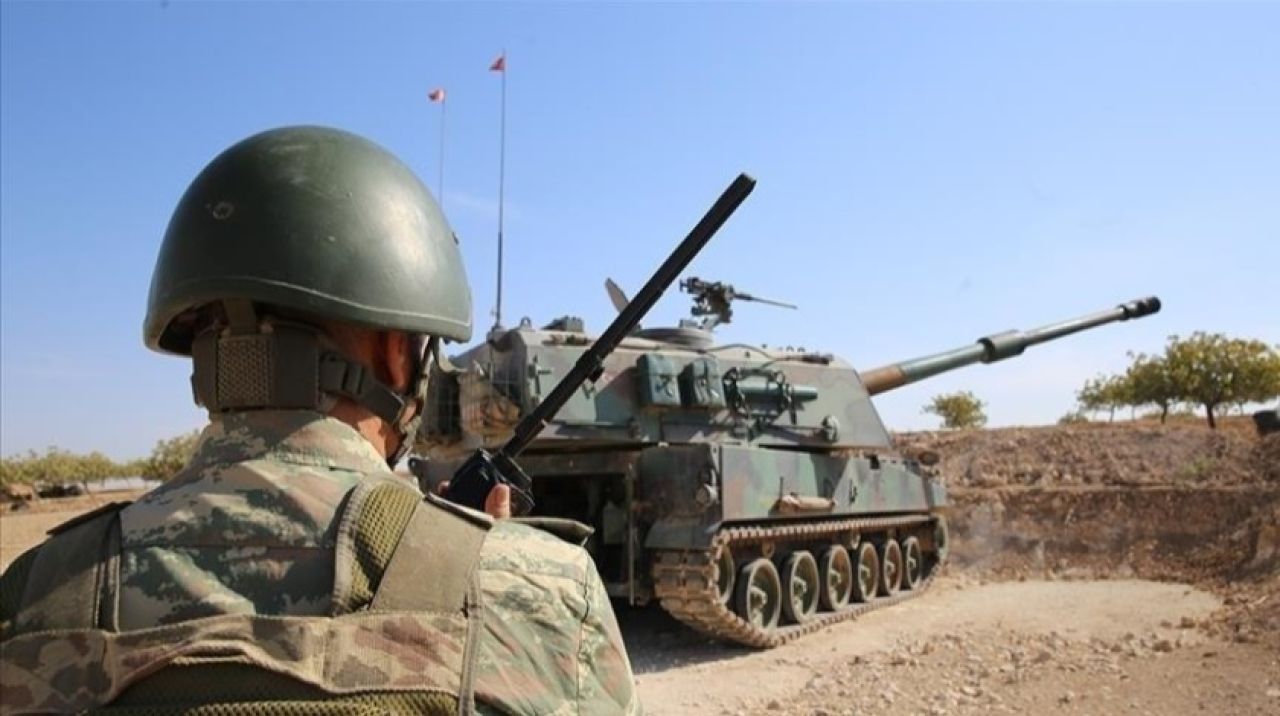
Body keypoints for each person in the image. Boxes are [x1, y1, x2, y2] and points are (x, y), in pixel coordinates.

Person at [0, 125, 639, 715]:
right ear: (396, 352)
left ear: (199, 348)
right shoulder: (540, 590)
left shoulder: (36, 593)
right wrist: (485, 565)